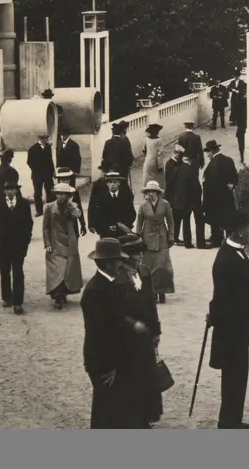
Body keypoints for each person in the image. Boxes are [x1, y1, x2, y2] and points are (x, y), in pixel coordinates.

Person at [80, 238, 148, 429]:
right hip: (103, 362)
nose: (121, 263)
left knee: (116, 410)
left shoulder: (109, 283)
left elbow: (115, 316)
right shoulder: (95, 290)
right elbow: (99, 334)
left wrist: (132, 323)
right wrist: (109, 366)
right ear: (109, 263)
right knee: (105, 411)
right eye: (118, 260)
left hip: (114, 359)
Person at [208, 209, 249, 429]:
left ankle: (233, 418)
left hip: (239, 330)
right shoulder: (226, 259)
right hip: (232, 332)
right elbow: (222, 298)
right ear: (239, 232)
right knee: (233, 375)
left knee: (238, 374)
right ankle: (228, 420)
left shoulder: (236, 251)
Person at [116, 230, 166, 426]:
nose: (141, 256)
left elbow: (150, 303)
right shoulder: (119, 277)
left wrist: (156, 330)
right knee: (131, 376)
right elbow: (117, 308)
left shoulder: (143, 271)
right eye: (137, 253)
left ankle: (148, 414)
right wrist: (130, 324)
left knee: (148, 375)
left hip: (145, 333)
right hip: (129, 335)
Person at [0, 179, 34, 314]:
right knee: (5, 272)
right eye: (7, 189)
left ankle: (18, 303)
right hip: (3, 246)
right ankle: (7, 298)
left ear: (17, 190)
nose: (10, 192)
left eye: (13, 189)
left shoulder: (24, 205)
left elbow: (29, 224)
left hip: (18, 246)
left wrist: (26, 240)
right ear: (4, 191)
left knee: (18, 272)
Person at [43, 183, 85, 310]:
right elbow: (46, 228)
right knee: (57, 270)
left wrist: (71, 203)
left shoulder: (72, 206)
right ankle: (57, 296)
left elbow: (78, 215)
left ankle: (63, 294)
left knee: (68, 270)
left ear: (68, 196)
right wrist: (47, 244)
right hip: (55, 242)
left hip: (70, 242)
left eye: (63, 194)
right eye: (58, 194)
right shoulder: (49, 207)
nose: (60, 196)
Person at [134, 180, 175, 304]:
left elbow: (171, 222)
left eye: (153, 191)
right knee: (149, 266)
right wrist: (139, 238)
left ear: (158, 193)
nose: (150, 194)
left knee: (163, 266)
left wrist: (171, 236)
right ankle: (152, 292)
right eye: (148, 191)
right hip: (147, 238)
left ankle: (162, 291)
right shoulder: (143, 206)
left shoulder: (165, 204)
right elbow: (139, 224)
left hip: (162, 237)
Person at [202, 140, 239, 248]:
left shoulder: (213, 163)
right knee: (227, 216)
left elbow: (210, 182)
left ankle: (216, 239)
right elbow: (234, 176)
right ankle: (227, 238)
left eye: (207, 152)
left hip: (214, 196)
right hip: (226, 195)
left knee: (215, 218)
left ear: (212, 151)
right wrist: (232, 185)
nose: (207, 155)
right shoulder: (228, 160)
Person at [169, 149, 205, 248]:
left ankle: (187, 243)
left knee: (186, 221)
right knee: (199, 221)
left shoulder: (177, 169)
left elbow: (171, 184)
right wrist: (199, 195)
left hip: (182, 201)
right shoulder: (192, 170)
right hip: (193, 200)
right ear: (191, 160)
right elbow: (196, 187)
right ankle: (201, 243)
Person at [87, 171, 136, 238]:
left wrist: (123, 226)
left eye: (115, 182)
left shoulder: (125, 198)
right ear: (107, 184)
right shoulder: (101, 199)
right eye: (110, 182)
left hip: (122, 232)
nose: (112, 184)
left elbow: (132, 214)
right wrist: (107, 226)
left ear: (119, 183)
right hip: (105, 233)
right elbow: (98, 216)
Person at [26, 133, 55, 216]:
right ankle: (39, 211)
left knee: (50, 192)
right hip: (37, 175)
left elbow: (50, 161)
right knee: (38, 193)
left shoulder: (48, 147)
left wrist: (53, 172)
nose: (46, 140)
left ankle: (50, 210)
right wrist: (36, 169)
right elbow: (29, 162)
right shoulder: (32, 149)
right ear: (40, 139)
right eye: (44, 138)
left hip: (48, 175)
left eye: (46, 138)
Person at [55, 167, 87, 235]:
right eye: (63, 180)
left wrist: (82, 224)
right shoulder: (54, 193)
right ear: (59, 180)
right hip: (58, 225)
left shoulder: (74, 192)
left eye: (67, 180)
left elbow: (79, 208)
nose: (65, 182)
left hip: (72, 224)